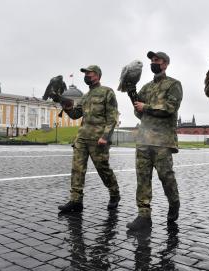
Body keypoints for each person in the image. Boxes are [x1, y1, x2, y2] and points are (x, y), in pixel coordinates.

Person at [126, 51, 183, 231]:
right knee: (142, 178)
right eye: (151, 60)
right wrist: (133, 97)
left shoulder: (174, 85)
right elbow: (138, 112)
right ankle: (144, 216)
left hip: (162, 141)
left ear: (165, 64)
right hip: (144, 139)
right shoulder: (146, 87)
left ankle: (174, 202)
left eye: (156, 60)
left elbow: (169, 108)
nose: (153, 62)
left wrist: (146, 107)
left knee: (166, 177)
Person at [58, 65, 120, 213]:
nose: (86, 76)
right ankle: (76, 200)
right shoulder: (85, 96)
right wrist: (66, 107)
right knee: (77, 169)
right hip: (82, 138)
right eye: (85, 74)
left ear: (97, 75)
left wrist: (105, 136)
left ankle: (114, 193)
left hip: (98, 139)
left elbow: (113, 117)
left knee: (103, 169)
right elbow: (75, 115)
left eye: (89, 74)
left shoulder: (107, 92)